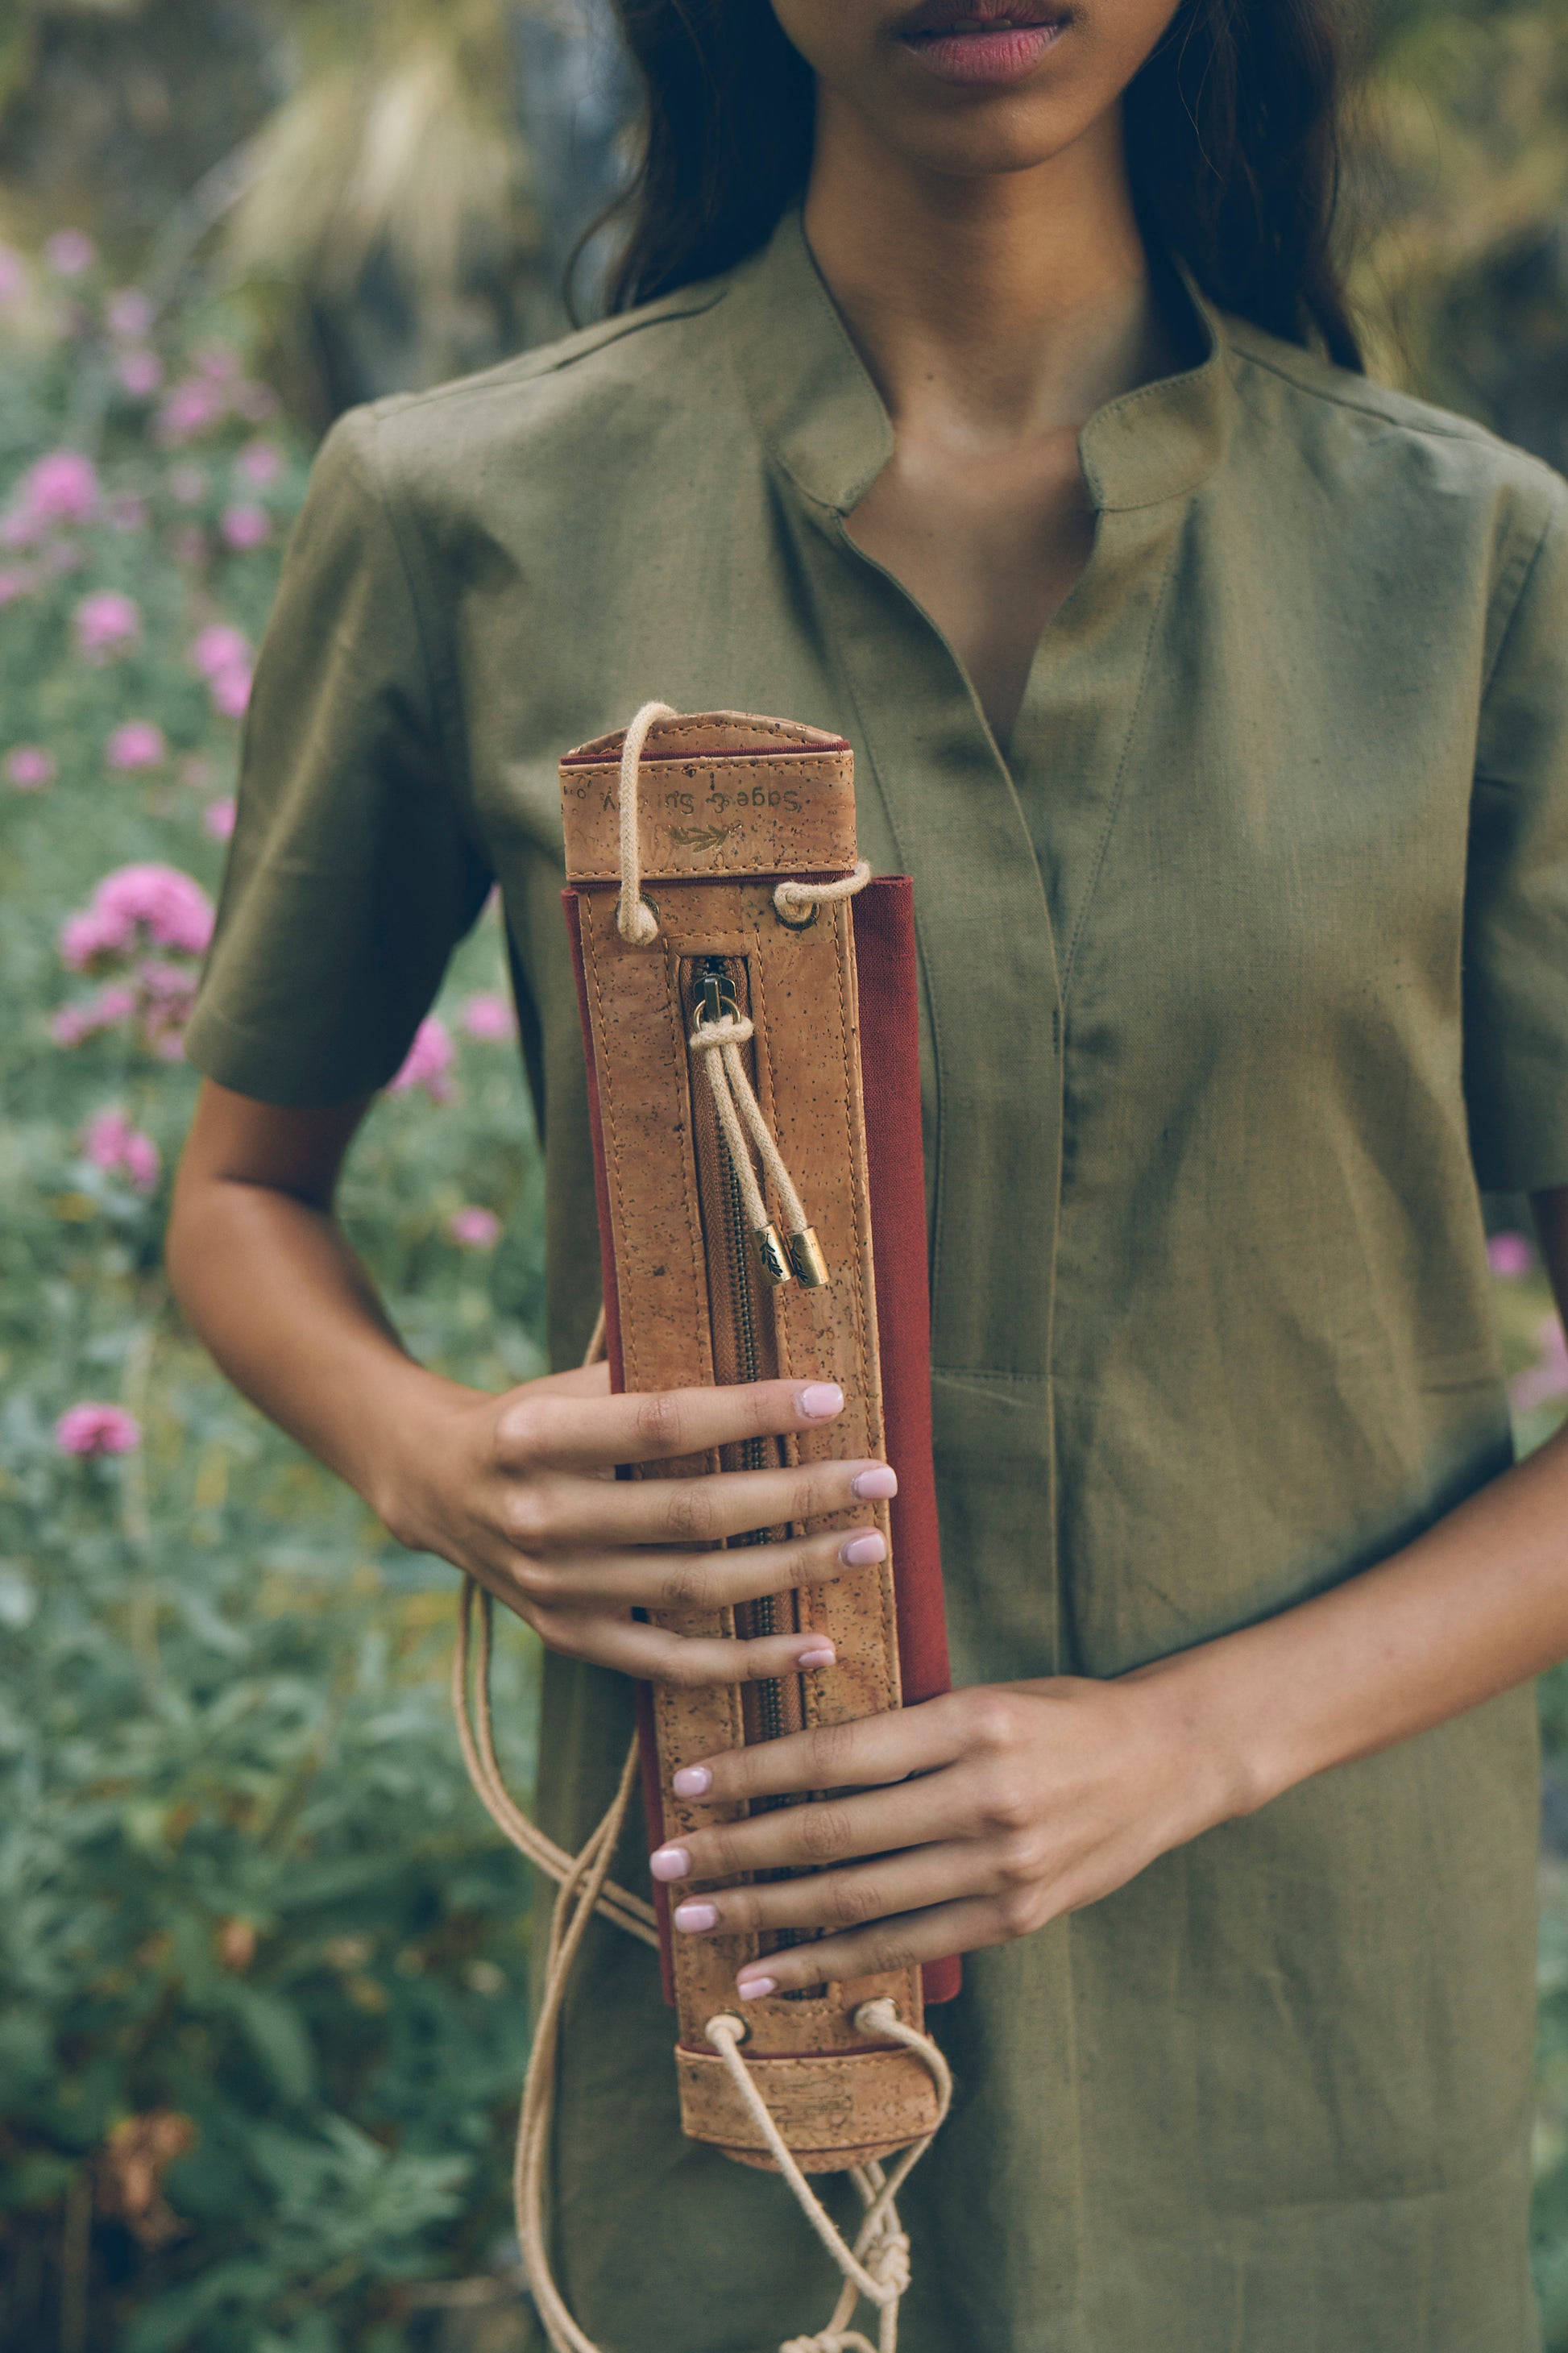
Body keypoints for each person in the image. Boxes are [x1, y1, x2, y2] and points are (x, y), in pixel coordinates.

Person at [165, 2, 1568, 2345]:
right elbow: (240, 1198)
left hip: (1313, 2035)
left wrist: (1185, 1744)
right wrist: (446, 1463)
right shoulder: (465, 518)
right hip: (743, 2011)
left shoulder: (1473, 577)